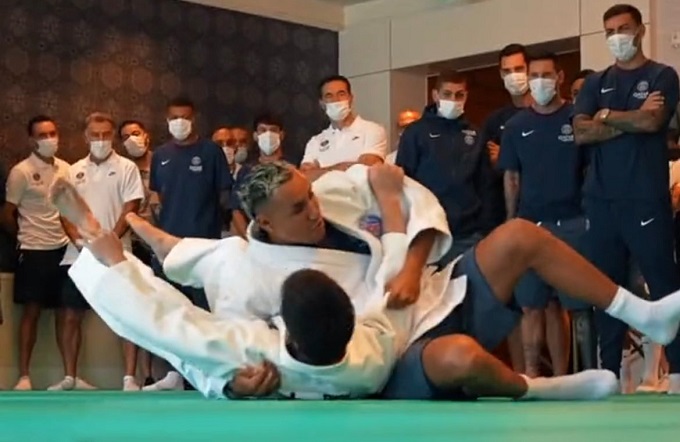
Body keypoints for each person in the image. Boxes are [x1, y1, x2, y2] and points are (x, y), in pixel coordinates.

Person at [53, 166, 625, 402]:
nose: (315, 211)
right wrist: (230, 388)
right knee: (460, 357)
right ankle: (536, 387)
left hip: (424, 294)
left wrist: (408, 251)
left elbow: (400, 190)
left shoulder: (327, 194)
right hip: (392, 349)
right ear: (264, 224)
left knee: (519, 236)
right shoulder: (244, 271)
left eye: (310, 196)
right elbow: (201, 344)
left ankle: (639, 311)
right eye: (298, 208)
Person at [572, 3, 680, 393]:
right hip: (601, 202)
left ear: (640, 30)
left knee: (665, 285)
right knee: (607, 290)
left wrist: (604, 116)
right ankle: (610, 376)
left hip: (646, 199)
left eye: (624, 28)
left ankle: (677, 373)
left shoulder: (662, 75)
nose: (617, 37)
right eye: (610, 31)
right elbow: (581, 133)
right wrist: (627, 117)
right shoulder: (595, 83)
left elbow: (653, 121)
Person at [499, 51, 590, 377]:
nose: (540, 82)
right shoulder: (516, 126)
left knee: (574, 306)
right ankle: (532, 375)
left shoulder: (578, 118)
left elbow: (591, 170)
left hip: (573, 224)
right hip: (530, 226)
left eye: (546, 75)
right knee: (530, 305)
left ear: (560, 77)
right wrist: (512, 221)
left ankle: (572, 375)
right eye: (534, 76)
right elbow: (511, 177)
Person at [147, 96, 233, 391]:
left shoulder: (211, 152)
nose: (179, 122)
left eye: (184, 117)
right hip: (168, 247)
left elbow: (224, 196)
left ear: (193, 119)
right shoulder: (160, 155)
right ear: (166, 120)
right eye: (174, 117)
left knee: (203, 311)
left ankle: (209, 370)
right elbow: (156, 198)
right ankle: (175, 372)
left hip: (203, 245)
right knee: (172, 309)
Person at [57, 112, 145, 391]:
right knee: (71, 315)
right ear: (86, 137)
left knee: (127, 315)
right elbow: (64, 210)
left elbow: (131, 208)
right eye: (95, 135)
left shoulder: (127, 168)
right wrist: (79, 241)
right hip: (79, 255)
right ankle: (70, 377)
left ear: (113, 137)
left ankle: (129, 378)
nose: (100, 139)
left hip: (118, 253)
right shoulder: (73, 170)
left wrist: (108, 241)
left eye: (106, 134)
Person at [396, 70, 495, 263]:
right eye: (447, 94)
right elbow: (403, 181)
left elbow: (485, 184)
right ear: (435, 95)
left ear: (466, 96)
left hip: (468, 234)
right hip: (427, 231)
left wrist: (486, 227)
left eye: (459, 95)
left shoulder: (476, 134)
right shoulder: (415, 133)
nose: (453, 100)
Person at [3, 116, 70, 390]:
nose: (49, 139)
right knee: (32, 312)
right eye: (42, 135)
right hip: (33, 250)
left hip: (64, 249)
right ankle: (24, 376)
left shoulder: (67, 168)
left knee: (65, 311)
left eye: (52, 133)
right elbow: (7, 213)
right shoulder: (21, 171)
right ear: (32, 140)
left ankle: (69, 376)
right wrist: (22, 238)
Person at [119, 119, 159, 387]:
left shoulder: (163, 164)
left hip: (158, 242)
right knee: (133, 309)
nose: (131, 139)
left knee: (157, 308)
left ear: (146, 135)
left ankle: (154, 373)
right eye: (125, 136)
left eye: (136, 133)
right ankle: (134, 374)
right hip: (131, 243)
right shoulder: (122, 168)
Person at [300, 75, 387, 181]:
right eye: (329, 96)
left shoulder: (373, 130)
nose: (336, 100)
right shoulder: (315, 141)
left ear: (350, 98)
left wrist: (319, 170)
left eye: (341, 94)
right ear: (322, 103)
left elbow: (366, 169)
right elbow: (304, 176)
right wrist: (338, 168)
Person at [230, 114, 286, 239]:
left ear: (281, 135)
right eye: (263, 130)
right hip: (253, 236)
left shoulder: (291, 168)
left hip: (283, 237)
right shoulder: (247, 171)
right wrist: (249, 239)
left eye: (273, 130)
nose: (268, 135)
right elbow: (236, 210)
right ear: (255, 136)